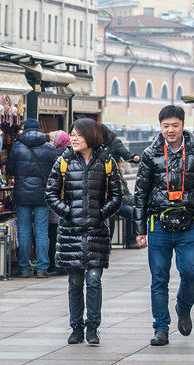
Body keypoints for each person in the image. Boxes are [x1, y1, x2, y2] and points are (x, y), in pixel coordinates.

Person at [133, 105, 194, 346]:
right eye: (166, 126)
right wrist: (139, 230)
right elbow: (141, 192)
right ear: (160, 127)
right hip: (158, 224)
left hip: (187, 223)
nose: (170, 130)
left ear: (183, 124)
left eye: (175, 125)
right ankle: (161, 327)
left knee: (191, 272)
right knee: (159, 278)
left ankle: (183, 306)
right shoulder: (150, 153)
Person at [45, 118, 122, 345]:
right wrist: (67, 212)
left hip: (97, 231)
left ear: (91, 136)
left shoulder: (106, 162)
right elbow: (50, 193)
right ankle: (76, 326)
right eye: (73, 134)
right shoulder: (64, 161)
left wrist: (100, 212)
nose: (74, 138)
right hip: (71, 231)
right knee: (75, 282)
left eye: (79, 134)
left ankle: (93, 327)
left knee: (95, 279)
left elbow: (117, 196)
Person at [7, 118, 57, 278]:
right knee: (42, 231)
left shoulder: (16, 146)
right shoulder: (49, 148)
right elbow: (55, 172)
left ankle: (23, 268)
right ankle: (42, 268)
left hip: (22, 195)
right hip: (42, 195)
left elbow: (10, 170)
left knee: (24, 231)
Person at [47, 130, 70, 275]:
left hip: (59, 204)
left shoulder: (58, 157)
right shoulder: (63, 155)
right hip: (62, 204)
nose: (49, 143)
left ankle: (57, 265)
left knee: (54, 234)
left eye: (51, 139)